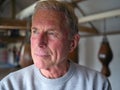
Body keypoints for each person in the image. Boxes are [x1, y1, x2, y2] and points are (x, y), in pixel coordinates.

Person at [0, 1, 111, 90]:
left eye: (52, 33)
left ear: (72, 43)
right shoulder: (10, 85)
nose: (39, 43)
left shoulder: (97, 84)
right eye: (35, 31)